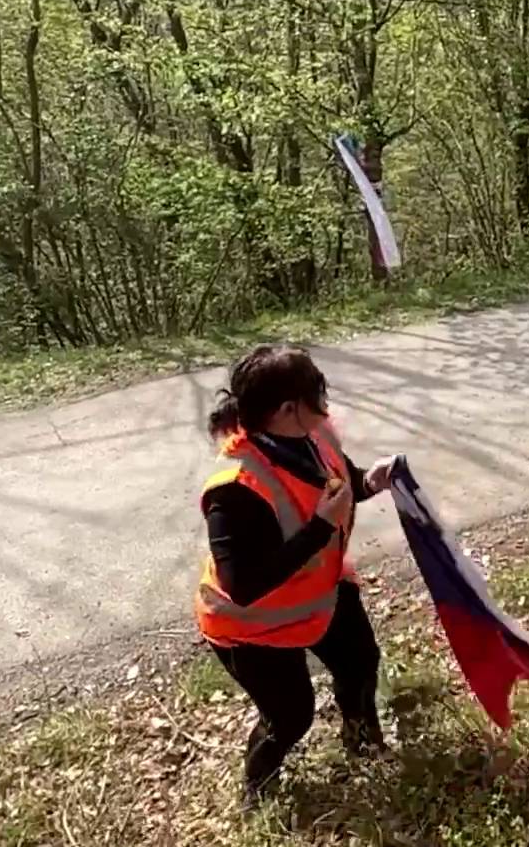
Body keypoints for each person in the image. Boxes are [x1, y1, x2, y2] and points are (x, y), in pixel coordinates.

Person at [195, 344, 396, 806]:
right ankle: (258, 790)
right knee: (290, 717)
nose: (325, 405)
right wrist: (321, 527)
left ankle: (363, 746)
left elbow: (339, 485)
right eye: (316, 395)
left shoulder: (315, 436)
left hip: (318, 593)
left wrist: (371, 482)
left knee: (360, 663)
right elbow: (242, 586)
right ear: (287, 409)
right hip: (251, 626)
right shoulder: (235, 490)